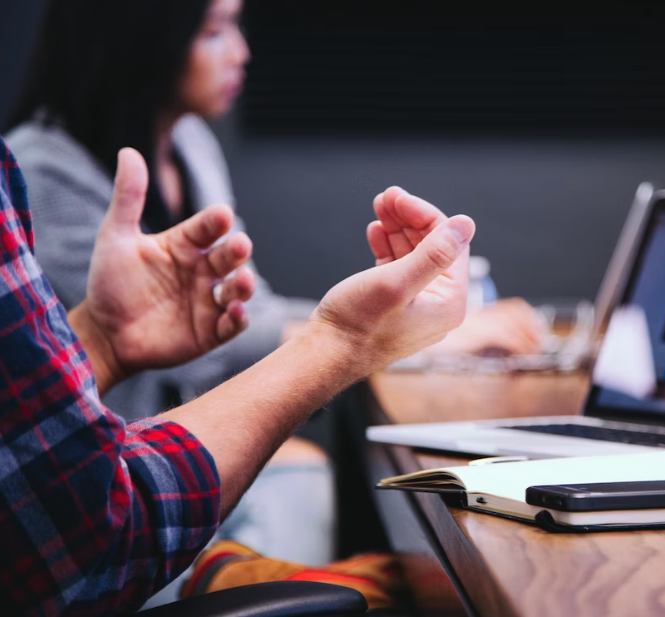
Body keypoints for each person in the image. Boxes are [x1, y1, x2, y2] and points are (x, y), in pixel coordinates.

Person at [0, 136, 476, 616]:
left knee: (304, 472)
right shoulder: (43, 166)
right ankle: (221, 575)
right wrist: (343, 341)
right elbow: (86, 536)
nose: (242, 55)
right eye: (216, 49)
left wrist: (101, 342)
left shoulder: (192, 143)